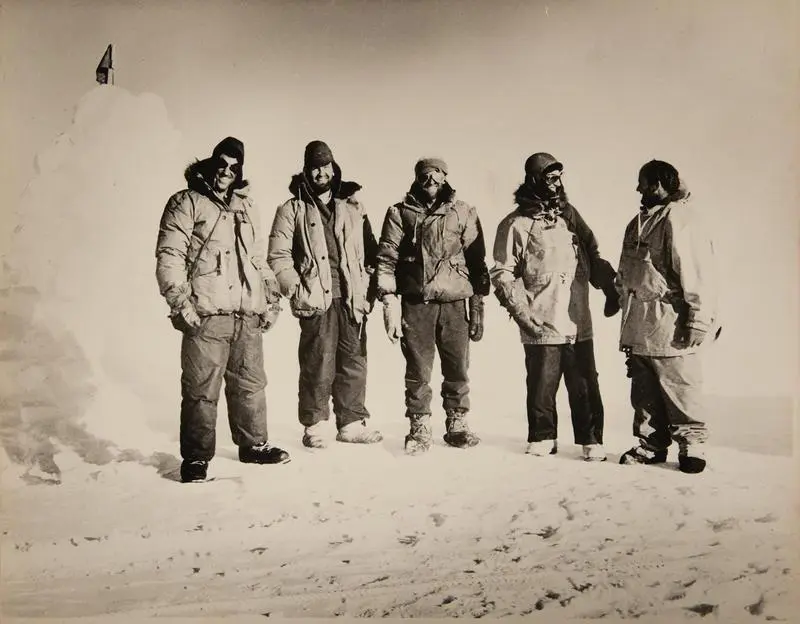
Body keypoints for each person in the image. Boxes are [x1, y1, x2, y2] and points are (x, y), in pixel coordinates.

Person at [156, 137, 289, 483]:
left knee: (250, 383)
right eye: (222, 165)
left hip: (245, 313)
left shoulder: (247, 207)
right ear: (211, 164)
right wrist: (179, 302)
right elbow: (170, 256)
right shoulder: (186, 203)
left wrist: (272, 298)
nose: (226, 172)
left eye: (234, 168)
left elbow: (257, 259)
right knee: (201, 388)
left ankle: (253, 445)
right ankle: (197, 458)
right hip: (206, 312)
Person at [490, 153, 619, 461]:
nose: (557, 183)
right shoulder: (515, 224)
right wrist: (522, 314)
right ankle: (542, 435)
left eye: (559, 177)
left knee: (584, 381)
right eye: (550, 177)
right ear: (534, 179)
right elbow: (502, 272)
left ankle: (591, 439)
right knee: (541, 382)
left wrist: (610, 287)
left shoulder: (570, 215)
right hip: (541, 315)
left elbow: (592, 251)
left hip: (576, 316)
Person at [267, 140, 383, 449]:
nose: (321, 172)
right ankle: (315, 424)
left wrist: (369, 290)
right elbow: (278, 257)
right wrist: (297, 290)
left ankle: (352, 423)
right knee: (318, 362)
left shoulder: (354, 208)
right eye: (315, 167)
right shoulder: (292, 209)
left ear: (334, 168)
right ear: (306, 171)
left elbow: (372, 252)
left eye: (326, 165)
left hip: (351, 299)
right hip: (317, 299)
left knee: (354, 361)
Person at [375, 158, 490, 455]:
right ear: (417, 178)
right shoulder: (400, 213)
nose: (431, 181)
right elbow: (386, 259)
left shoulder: (463, 211)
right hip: (417, 303)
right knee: (418, 369)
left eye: (436, 176)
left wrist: (477, 305)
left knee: (457, 366)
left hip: (455, 304)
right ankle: (419, 425)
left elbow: (477, 260)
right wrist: (389, 303)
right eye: (425, 176)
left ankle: (457, 422)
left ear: (446, 178)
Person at [615, 159, 720, 474]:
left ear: (658, 184)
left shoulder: (679, 219)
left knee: (680, 386)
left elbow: (696, 271)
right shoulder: (638, 222)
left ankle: (693, 446)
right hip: (638, 323)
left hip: (670, 322)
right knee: (644, 392)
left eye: (643, 183)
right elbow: (629, 270)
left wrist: (699, 319)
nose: (638, 189)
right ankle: (650, 445)